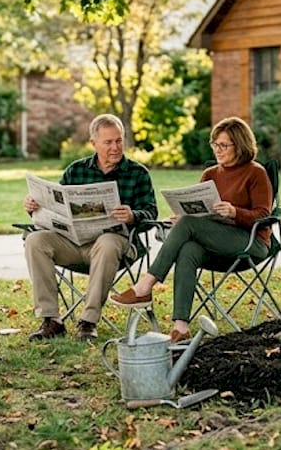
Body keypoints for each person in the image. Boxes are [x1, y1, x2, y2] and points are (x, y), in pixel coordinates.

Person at [110, 116, 272, 343]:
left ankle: (145, 286)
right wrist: (182, 216)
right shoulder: (211, 174)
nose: (217, 149)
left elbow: (264, 216)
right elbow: (197, 213)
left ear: (241, 144)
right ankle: (181, 327)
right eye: (215, 144)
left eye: (223, 145)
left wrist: (236, 212)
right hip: (215, 243)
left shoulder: (256, 173)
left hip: (250, 243)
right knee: (188, 249)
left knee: (188, 225)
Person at [23, 114, 158, 341]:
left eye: (119, 141)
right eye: (108, 142)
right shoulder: (76, 171)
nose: (115, 147)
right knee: (35, 241)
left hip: (115, 246)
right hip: (74, 244)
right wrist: (34, 206)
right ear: (93, 143)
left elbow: (152, 213)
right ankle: (51, 320)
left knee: (107, 242)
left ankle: (88, 321)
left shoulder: (138, 173)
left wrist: (132, 215)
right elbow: (57, 207)